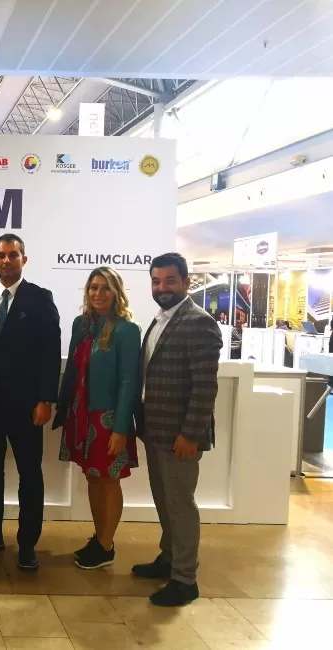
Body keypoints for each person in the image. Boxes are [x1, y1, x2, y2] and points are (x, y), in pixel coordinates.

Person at [0, 233, 61, 571]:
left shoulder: (40, 298)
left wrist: (46, 398)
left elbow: (50, 352)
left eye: (13, 255)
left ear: (24, 260)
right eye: (1, 255)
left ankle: (28, 544)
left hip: (27, 406)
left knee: (29, 474)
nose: (6, 261)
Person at [133, 252, 222, 607]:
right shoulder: (159, 320)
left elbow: (205, 387)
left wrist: (191, 434)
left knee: (181, 505)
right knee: (164, 500)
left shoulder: (199, 322)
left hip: (180, 436)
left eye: (170, 280)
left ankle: (185, 580)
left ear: (186, 282)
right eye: (156, 281)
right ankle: (169, 557)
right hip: (155, 430)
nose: (162, 287)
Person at [53, 267, 141, 570]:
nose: (98, 293)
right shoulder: (82, 324)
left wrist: (121, 429)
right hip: (81, 415)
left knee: (108, 480)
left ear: (116, 293)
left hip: (108, 418)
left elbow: (129, 382)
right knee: (92, 476)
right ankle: (100, 537)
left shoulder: (128, 330)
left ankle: (106, 545)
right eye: (93, 287)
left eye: (105, 288)